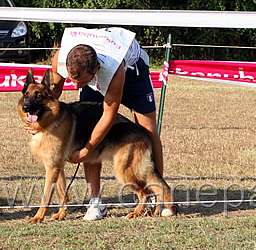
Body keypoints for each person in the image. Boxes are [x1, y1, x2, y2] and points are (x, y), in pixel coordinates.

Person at [26, 27, 168, 220]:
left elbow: (108, 117)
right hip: (93, 65)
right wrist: (39, 122)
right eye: (72, 80)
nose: (75, 86)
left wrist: (84, 152)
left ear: (95, 71)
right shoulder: (60, 59)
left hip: (132, 68)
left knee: (147, 129)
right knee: (89, 126)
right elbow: (53, 95)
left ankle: (157, 197)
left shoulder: (114, 70)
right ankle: (95, 202)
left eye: (80, 82)